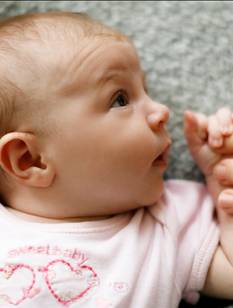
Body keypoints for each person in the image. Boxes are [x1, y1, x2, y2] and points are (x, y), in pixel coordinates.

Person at [0, 11, 233, 308]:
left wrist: (220, 179)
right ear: (30, 159)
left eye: (146, 91)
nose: (162, 110)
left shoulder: (168, 220)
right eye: (120, 99)